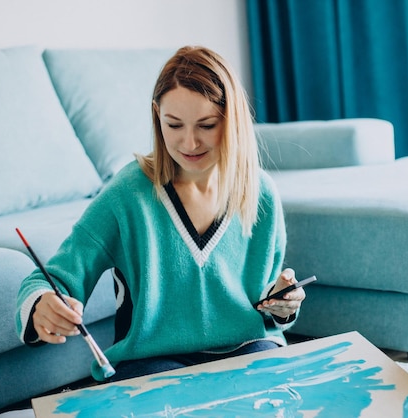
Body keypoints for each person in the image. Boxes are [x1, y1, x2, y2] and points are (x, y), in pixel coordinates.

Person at [15, 45, 305, 382]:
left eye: (207, 125)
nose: (190, 142)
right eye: (174, 125)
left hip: (247, 348)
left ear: (232, 120)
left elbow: (270, 305)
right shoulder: (126, 195)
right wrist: (42, 304)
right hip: (151, 360)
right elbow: (53, 278)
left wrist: (284, 305)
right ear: (157, 116)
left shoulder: (262, 193)